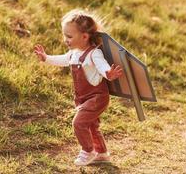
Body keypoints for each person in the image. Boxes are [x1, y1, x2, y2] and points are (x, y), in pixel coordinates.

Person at [34, 9, 122, 166]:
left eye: (69, 36)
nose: (65, 39)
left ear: (84, 37)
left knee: (79, 123)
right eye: (64, 35)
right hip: (82, 98)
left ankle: (88, 150)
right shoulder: (73, 53)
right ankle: (102, 153)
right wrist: (46, 58)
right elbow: (62, 59)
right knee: (91, 125)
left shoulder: (94, 53)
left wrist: (109, 73)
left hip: (97, 97)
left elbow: (102, 67)